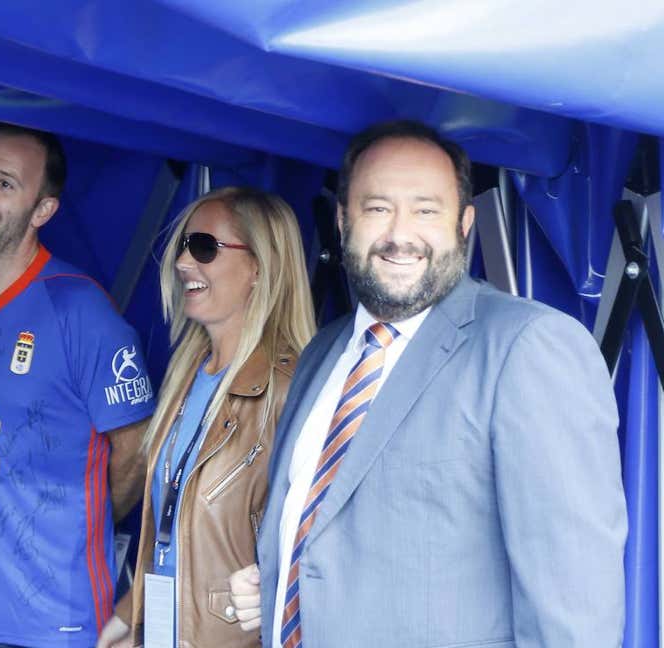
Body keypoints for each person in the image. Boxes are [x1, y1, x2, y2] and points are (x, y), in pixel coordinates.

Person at [228, 120, 627, 647]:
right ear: (343, 220)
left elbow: (575, 609)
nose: (400, 233)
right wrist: (278, 582)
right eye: (377, 208)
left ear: (464, 223)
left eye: (426, 210)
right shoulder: (321, 354)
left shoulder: (529, 347)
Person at [0, 120, 155, 648]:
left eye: (4, 182)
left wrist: (73, 529)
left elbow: (136, 452)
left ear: (43, 211)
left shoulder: (81, 311)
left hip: (49, 625)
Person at [96, 188, 315, 648]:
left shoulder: (290, 389)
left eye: (204, 247)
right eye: (182, 246)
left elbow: (318, 548)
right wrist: (130, 614)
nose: (181, 262)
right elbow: (173, 532)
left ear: (259, 266)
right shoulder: (186, 375)